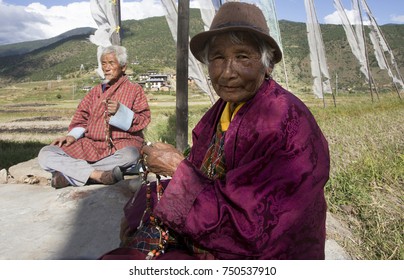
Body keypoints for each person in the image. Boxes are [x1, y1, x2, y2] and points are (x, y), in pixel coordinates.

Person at [102, 2, 330, 260]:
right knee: (144, 200)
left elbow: (253, 228)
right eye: (218, 58)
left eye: (243, 56)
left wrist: (178, 170)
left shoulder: (284, 121)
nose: (227, 72)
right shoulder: (223, 109)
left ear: (267, 65)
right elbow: (205, 172)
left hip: (261, 254)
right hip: (213, 217)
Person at [38, 45, 151, 189]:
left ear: (123, 67)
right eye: (104, 63)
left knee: (131, 155)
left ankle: (69, 176)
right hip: (90, 144)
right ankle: (96, 175)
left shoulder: (135, 90)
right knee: (46, 153)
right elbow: (81, 118)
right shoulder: (95, 92)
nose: (106, 68)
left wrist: (121, 111)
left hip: (121, 144)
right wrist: (72, 136)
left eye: (111, 63)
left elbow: (144, 118)